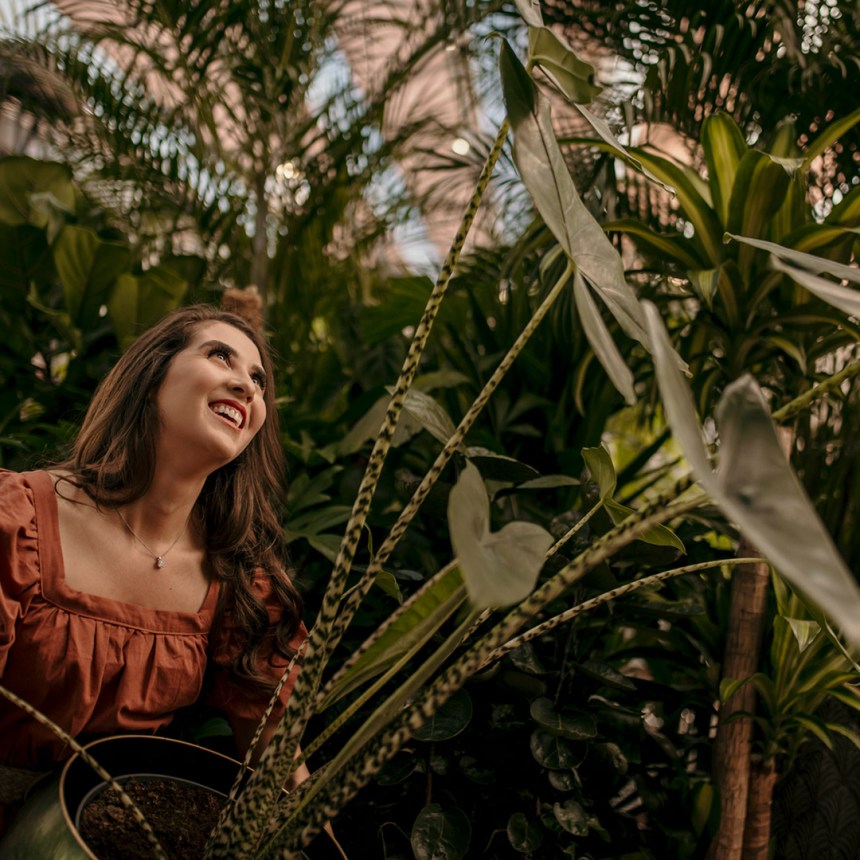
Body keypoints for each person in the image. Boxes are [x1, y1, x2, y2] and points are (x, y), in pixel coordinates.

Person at [0, 303, 308, 825]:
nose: (248, 387)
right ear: (150, 379)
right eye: (220, 357)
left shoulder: (237, 583)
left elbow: (277, 761)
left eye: (258, 379)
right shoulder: (18, 518)